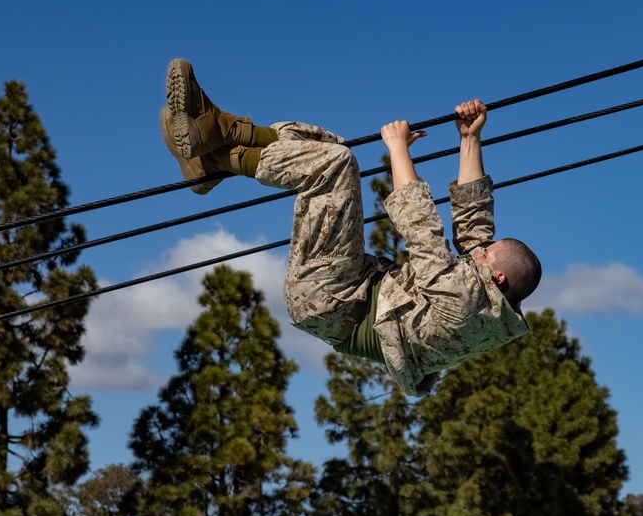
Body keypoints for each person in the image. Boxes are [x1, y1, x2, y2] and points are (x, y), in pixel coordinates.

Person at [159, 59, 541, 396]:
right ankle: (213, 150)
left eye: (486, 254)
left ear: (499, 276)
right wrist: (470, 137)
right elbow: (475, 225)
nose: (479, 250)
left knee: (333, 165)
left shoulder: (464, 300)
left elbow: (420, 227)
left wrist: (397, 150)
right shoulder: (488, 306)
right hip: (347, 290)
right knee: (329, 145)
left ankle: (218, 146)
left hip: (333, 296)